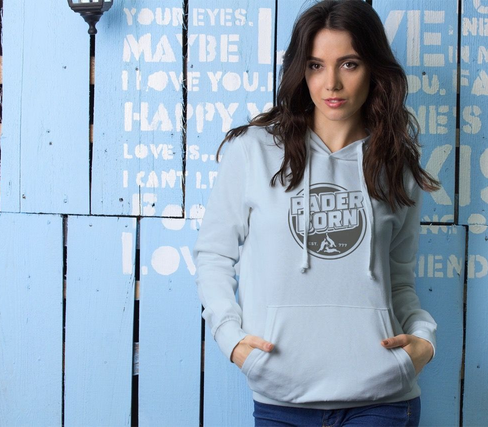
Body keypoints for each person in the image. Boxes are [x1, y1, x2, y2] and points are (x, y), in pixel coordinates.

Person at [192, 0, 440, 425]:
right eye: (315, 66)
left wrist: (423, 340)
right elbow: (214, 255)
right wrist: (230, 339)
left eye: (349, 64)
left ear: (373, 69)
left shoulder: (395, 166)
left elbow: (399, 280)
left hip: (382, 398)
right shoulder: (254, 151)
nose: (332, 84)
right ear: (300, 71)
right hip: (281, 396)